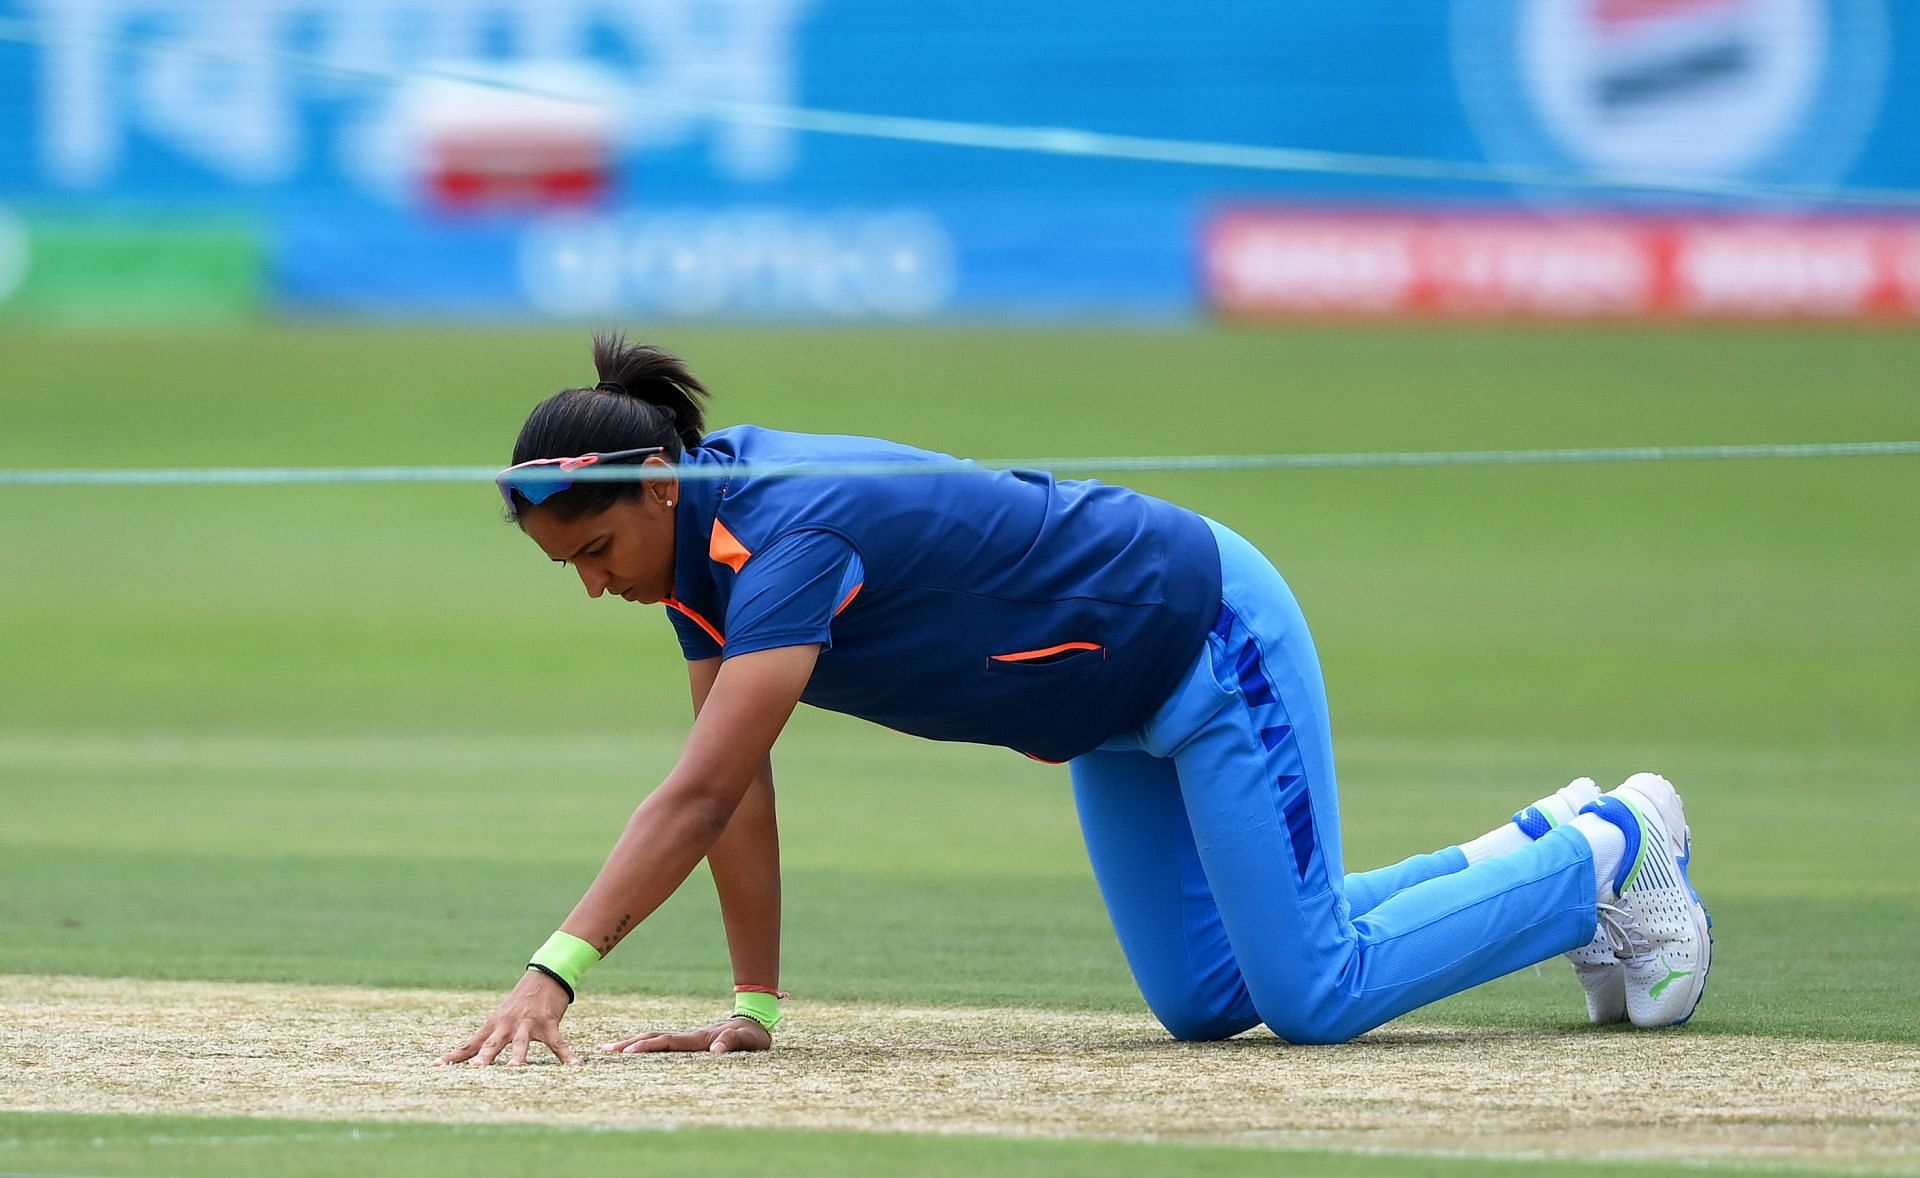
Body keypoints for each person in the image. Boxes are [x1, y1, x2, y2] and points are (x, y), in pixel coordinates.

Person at [436, 334, 1712, 1068]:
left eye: (593, 554)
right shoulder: (699, 561)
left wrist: (556, 971)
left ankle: (1613, 851)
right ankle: (1540, 844)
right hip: (1106, 712)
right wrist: (755, 1007)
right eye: (570, 571)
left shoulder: (782, 532)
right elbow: (737, 788)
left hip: (1202, 635)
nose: (594, 588)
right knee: (1210, 1000)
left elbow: (701, 788)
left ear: (654, 483)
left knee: (1312, 994)